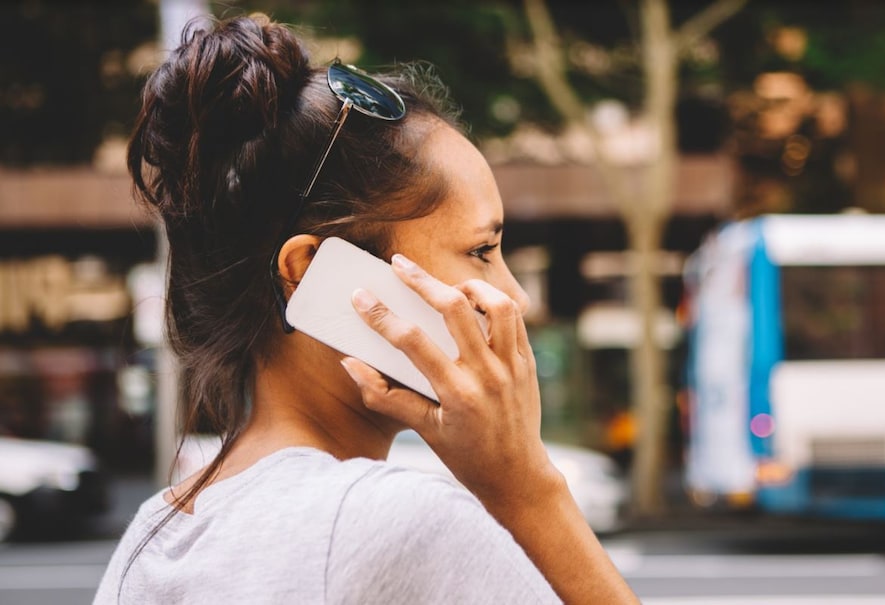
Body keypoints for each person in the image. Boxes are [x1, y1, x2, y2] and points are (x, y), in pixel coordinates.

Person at [94, 14, 638, 605]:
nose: (516, 298)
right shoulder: (399, 522)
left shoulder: (154, 537)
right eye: (481, 251)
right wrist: (528, 489)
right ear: (308, 275)